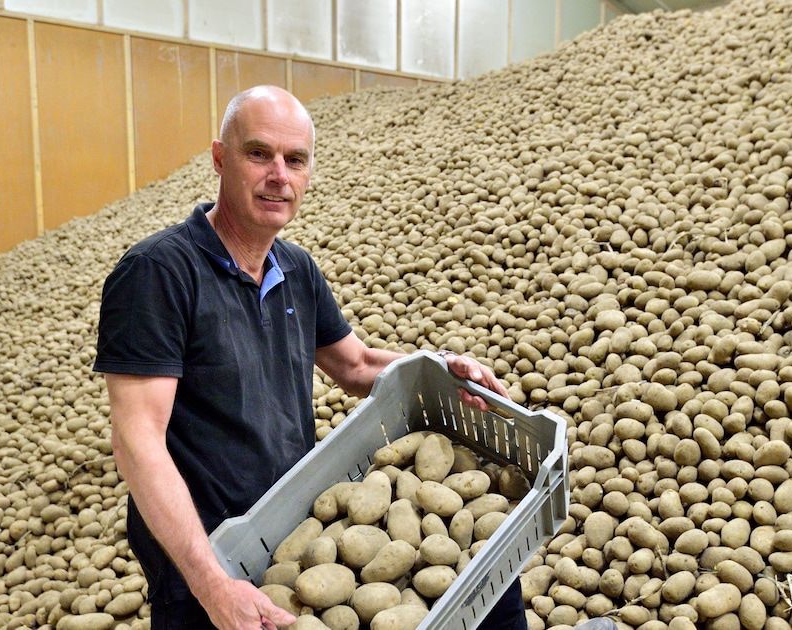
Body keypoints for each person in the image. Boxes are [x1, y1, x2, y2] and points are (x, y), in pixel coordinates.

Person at [93, 85, 526, 630]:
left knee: (492, 590)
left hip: (297, 533)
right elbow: (137, 441)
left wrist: (437, 366)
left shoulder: (294, 268)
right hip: (207, 563)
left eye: (295, 160)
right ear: (220, 159)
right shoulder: (158, 273)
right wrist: (214, 587)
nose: (279, 175)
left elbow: (356, 365)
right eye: (259, 154)